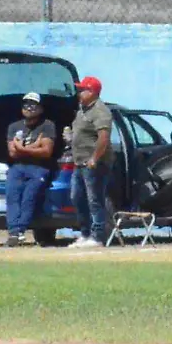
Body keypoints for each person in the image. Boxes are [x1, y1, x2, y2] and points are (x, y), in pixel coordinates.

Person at [3, 92, 56, 248]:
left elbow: (46, 151)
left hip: (39, 168)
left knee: (29, 197)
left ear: (40, 108)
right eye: (26, 104)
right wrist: (34, 146)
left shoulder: (47, 126)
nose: (29, 107)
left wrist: (22, 148)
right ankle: (13, 232)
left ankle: (19, 231)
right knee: (12, 196)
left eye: (33, 104)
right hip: (17, 167)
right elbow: (12, 153)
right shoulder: (14, 127)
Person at [69, 76, 115, 249]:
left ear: (93, 92)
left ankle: (97, 236)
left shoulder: (100, 111)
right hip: (79, 162)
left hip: (94, 164)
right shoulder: (82, 110)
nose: (79, 93)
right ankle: (85, 233)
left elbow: (103, 138)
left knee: (94, 199)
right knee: (77, 197)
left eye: (83, 90)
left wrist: (95, 158)